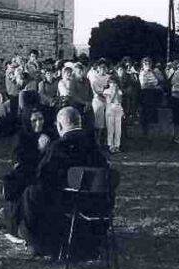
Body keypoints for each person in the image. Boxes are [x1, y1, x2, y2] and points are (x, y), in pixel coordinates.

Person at [13, 106, 112, 257]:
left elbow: (43, 178)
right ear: (79, 122)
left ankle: (37, 241)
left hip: (69, 206)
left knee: (31, 193)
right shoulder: (97, 148)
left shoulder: (59, 147)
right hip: (99, 207)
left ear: (59, 126)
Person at [102, 74, 124, 153]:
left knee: (118, 128)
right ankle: (110, 145)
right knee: (110, 128)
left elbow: (120, 101)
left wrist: (122, 110)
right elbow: (109, 100)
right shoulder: (106, 91)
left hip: (118, 108)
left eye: (114, 83)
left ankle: (117, 145)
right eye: (111, 82)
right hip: (110, 108)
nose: (113, 84)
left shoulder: (119, 91)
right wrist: (114, 92)